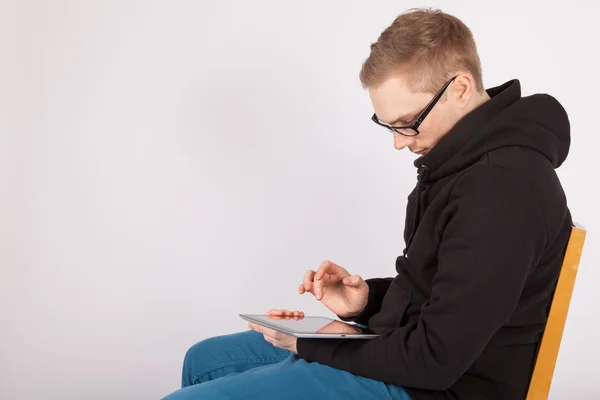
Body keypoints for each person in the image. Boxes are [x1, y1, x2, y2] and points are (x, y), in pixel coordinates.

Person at [162, 7, 572, 400]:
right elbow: (456, 294)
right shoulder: (461, 165)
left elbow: (435, 360)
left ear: (460, 89)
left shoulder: (501, 189)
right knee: (206, 360)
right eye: (387, 126)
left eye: (407, 122)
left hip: (440, 389)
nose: (398, 142)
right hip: (409, 356)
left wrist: (314, 346)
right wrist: (367, 302)